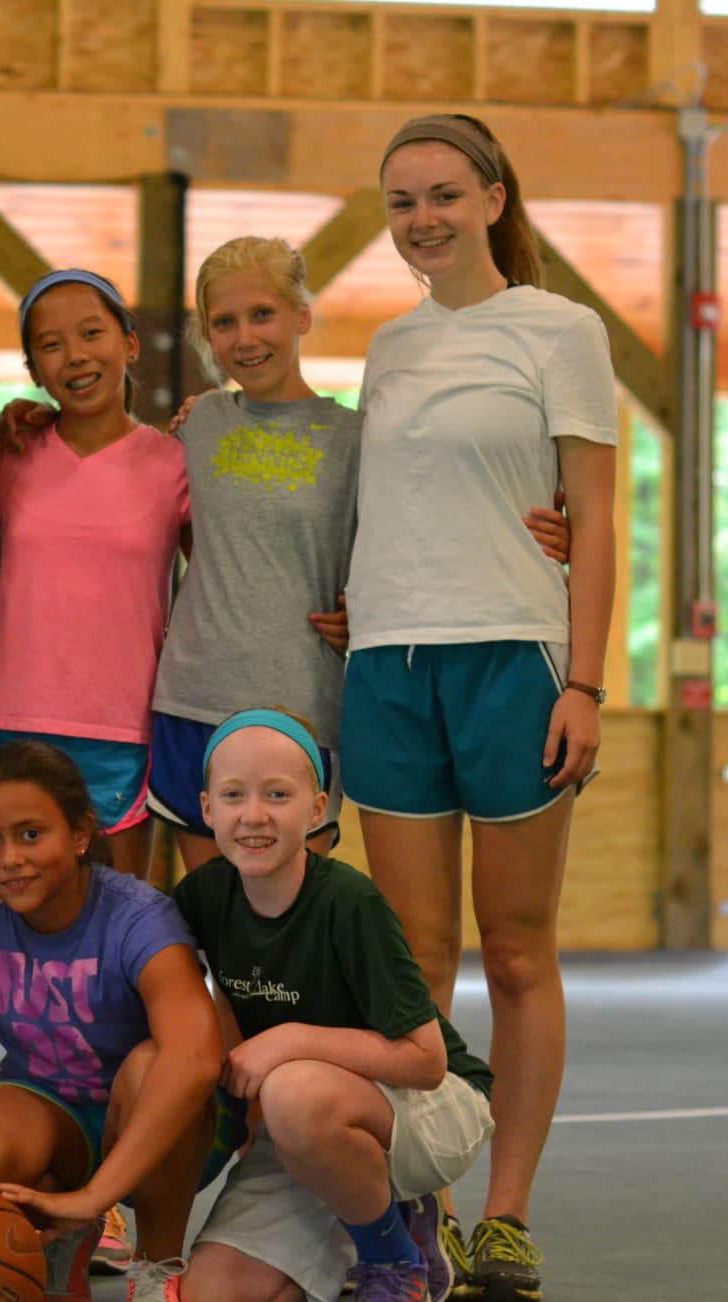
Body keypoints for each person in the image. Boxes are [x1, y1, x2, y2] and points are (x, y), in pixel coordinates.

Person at [343, 112, 617, 1302]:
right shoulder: (386, 348)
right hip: (386, 669)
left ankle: (504, 1219)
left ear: (494, 198)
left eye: (443, 195)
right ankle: (430, 1213)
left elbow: (594, 516)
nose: (422, 220)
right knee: (413, 965)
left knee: (513, 950)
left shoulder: (561, 330)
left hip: (514, 664)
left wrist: (584, 684)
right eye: (401, 203)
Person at [149, 236, 571, 877]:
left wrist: (549, 527)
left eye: (262, 314)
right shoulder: (199, 422)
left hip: (303, 707)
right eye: (224, 323)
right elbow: (172, 526)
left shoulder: (357, 437)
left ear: (301, 315)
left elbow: (424, 523)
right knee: (212, 918)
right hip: (191, 702)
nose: (245, 338)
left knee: (287, 926)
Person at [172, 710, 495, 1302]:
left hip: (431, 1105)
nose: (254, 815)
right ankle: (382, 1218)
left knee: (292, 1090)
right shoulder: (204, 896)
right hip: (313, 1121)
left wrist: (288, 1038)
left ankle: (395, 1265)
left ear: (317, 808)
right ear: (206, 808)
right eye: (233, 795)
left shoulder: (349, 902)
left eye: (278, 794)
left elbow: (426, 1060)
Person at [0, 741, 233, 1302]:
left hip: (167, 1123)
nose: (10, 859)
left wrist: (95, 1197)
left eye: (31, 835)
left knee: (152, 1066)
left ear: (81, 834)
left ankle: (156, 1268)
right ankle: (52, 1245)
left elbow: (195, 1059)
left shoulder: (138, 917)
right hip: (54, 1114)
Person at [0, 270, 191, 880]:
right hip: (9, 722)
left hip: (122, 728)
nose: (76, 355)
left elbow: (221, 592)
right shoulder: (9, 456)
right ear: (34, 370)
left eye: (92, 333)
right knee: (5, 917)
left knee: (116, 919)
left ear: (130, 344)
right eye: (52, 344)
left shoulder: (176, 463)